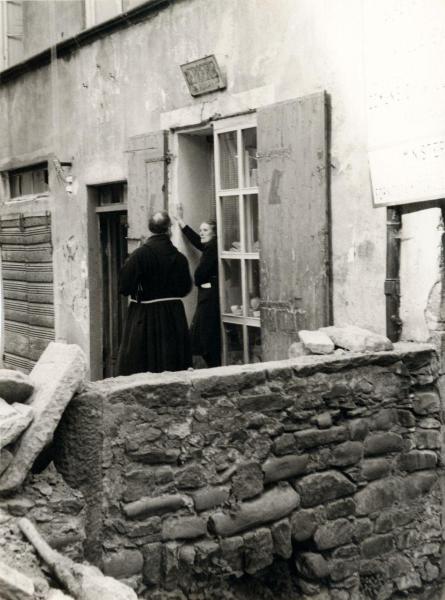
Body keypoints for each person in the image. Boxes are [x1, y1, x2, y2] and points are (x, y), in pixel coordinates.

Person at [117, 210, 192, 375]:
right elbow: (186, 288)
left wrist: (141, 289)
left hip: (145, 316)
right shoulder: (180, 258)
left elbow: (124, 287)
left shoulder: (138, 256)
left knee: (142, 367)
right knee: (174, 366)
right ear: (169, 230)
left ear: (151, 229)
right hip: (173, 317)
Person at [174, 204, 221, 368]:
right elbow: (196, 240)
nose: (201, 233)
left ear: (215, 233)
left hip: (208, 299)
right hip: (209, 296)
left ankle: (212, 368)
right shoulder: (212, 246)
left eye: (205, 230)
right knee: (205, 336)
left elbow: (199, 275)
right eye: (201, 230)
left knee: (203, 336)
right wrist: (181, 221)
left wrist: (204, 282)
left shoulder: (212, 248)